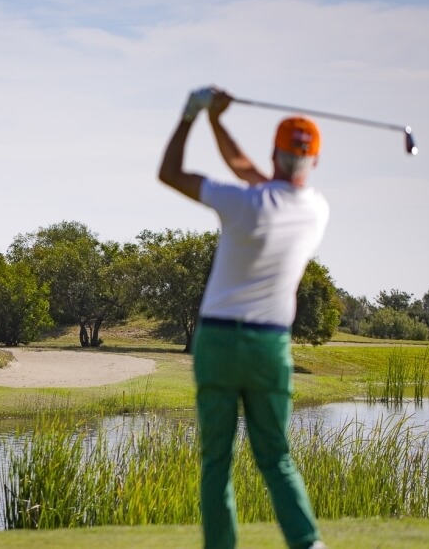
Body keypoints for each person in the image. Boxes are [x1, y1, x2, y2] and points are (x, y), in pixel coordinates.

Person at [157, 86, 328, 549]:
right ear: (312, 162)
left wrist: (195, 113)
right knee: (276, 457)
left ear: (274, 153)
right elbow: (250, 171)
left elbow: (170, 173)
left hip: (216, 341)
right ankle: (308, 543)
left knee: (217, 460)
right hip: (269, 347)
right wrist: (217, 121)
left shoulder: (241, 201)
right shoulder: (316, 210)